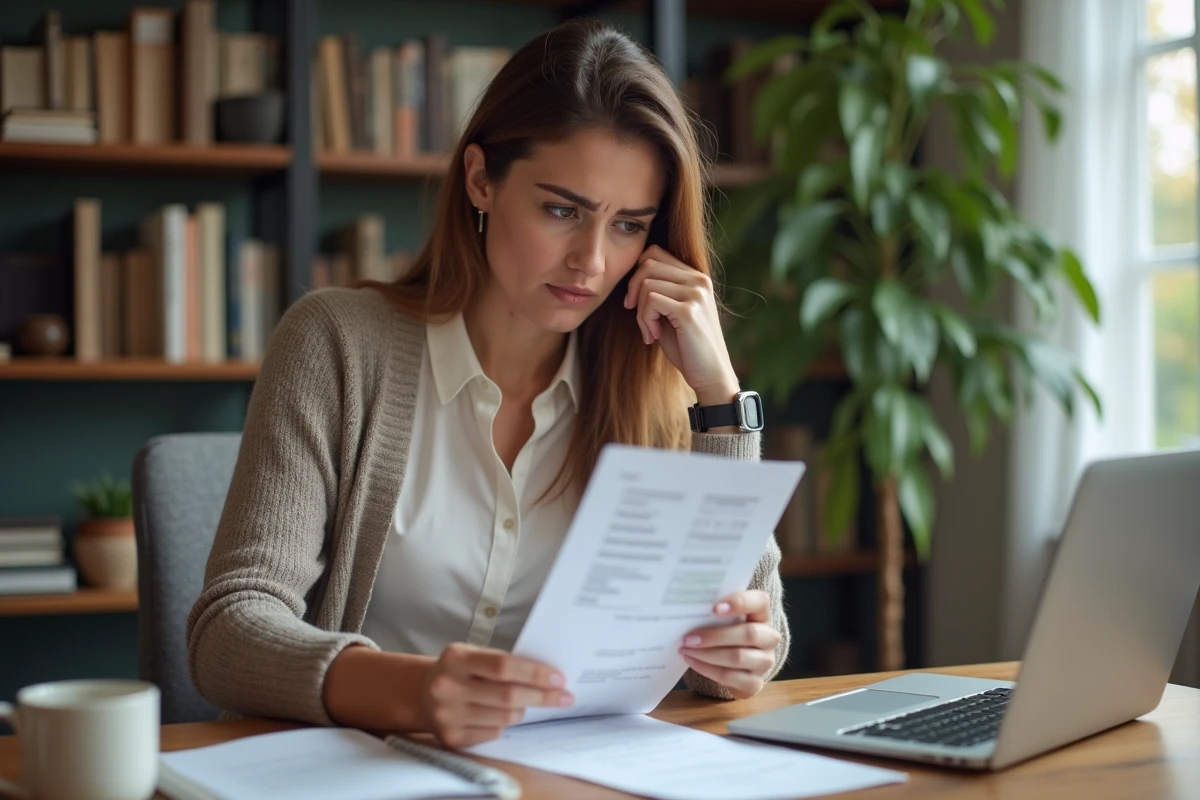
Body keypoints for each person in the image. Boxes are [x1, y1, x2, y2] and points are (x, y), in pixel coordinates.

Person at [187, 17, 789, 749]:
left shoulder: (655, 381)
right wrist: (411, 691)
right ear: (480, 179)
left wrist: (719, 398)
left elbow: (742, 651)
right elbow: (228, 630)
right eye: (562, 210)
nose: (593, 262)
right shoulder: (337, 343)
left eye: (628, 225)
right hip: (354, 771)